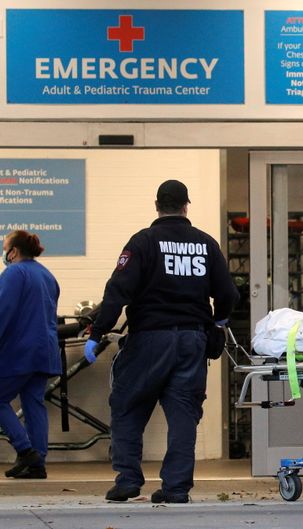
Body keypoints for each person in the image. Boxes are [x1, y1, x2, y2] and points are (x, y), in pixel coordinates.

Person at [86, 179, 239, 504]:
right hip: (192, 342)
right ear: (186, 206)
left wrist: (98, 332)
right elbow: (228, 293)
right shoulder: (205, 244)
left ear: (157, 205)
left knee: (127, 405)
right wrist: (219, 321)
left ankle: (128, 480)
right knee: (184, 413)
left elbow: (117, 292)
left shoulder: (143, 242)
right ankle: (176, 488)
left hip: (150, 340)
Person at [0, 230, 60, 479]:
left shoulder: (14, 273)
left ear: (13, 251)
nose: (4, 252)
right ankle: (37, 464)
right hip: (44, 352)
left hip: (19, 352)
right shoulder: (47, 275)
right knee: (33, 403)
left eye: (5, 247)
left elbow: (2, 314)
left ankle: (26, 450)